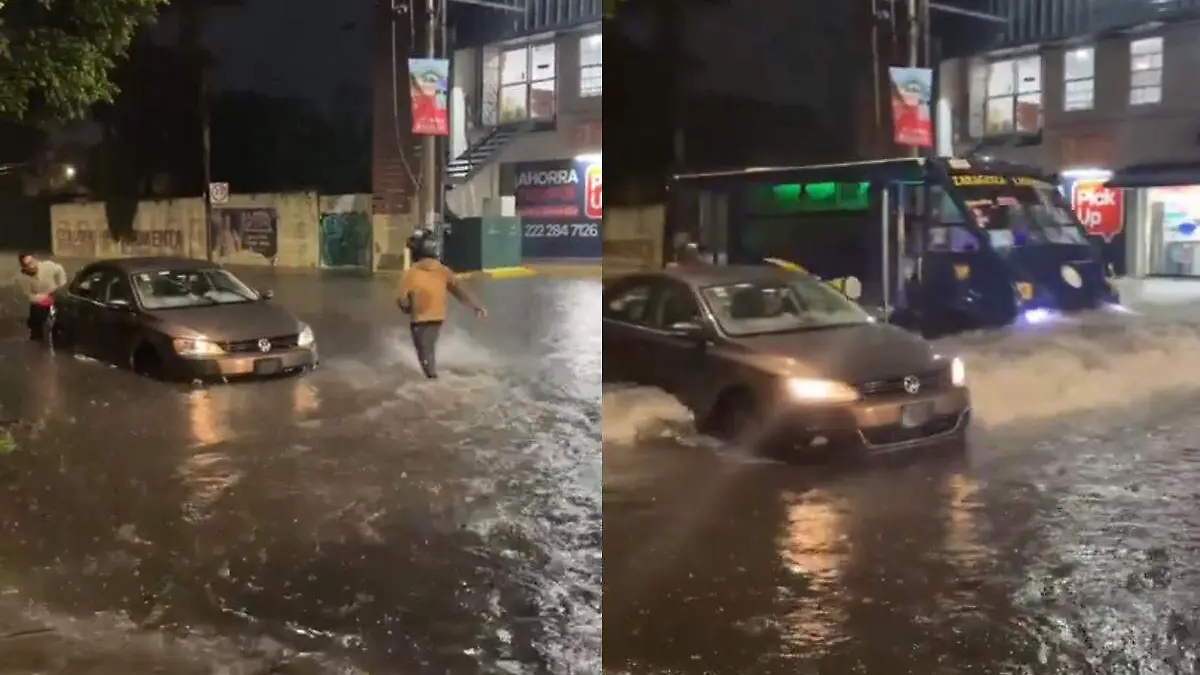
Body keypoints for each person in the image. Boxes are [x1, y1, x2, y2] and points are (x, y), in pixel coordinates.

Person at [395, 230, 486, 379]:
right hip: (438, 317)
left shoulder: (411, 273)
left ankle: (434, 385)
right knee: (429, 349)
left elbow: (401, 299)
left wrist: (406, 309)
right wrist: (476, 306)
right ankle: (435, 376)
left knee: (425, 357)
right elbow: (460, 291)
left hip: (419, 320)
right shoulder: (443, 270)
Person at [17, 252, 67, 342]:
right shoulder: (23, 278)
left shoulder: (48, 266)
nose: (32, 266)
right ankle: (37, 338)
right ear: (24, 267)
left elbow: (59, 269)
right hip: (40, 301)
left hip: (55, 296)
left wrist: (61, 285)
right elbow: (29, 295)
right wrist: (42, 298)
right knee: (36, 321)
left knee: (59, 321)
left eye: (32, 262)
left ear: (35, 260)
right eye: (28, 264)